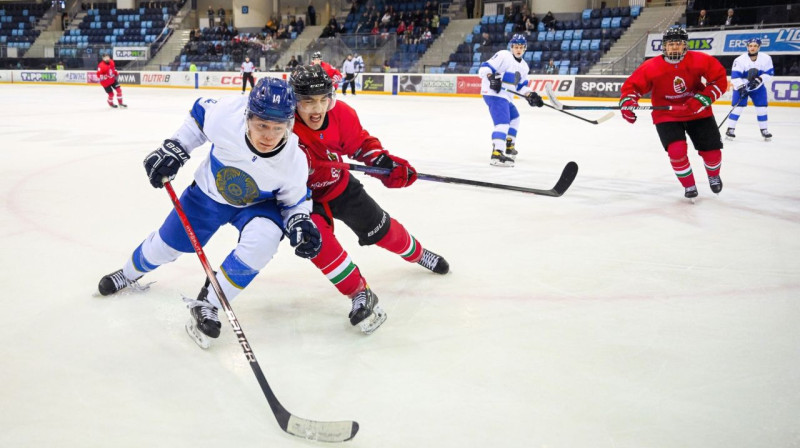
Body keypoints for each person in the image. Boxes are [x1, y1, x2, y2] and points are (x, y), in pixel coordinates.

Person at [96, 77, 320, 349]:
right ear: (247, 116)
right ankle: (129, 273)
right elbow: (200, 114)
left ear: (290, 124)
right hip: (208, 194)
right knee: (166, 248)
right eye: (261, 125)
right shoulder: (228, 115)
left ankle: (210, 302)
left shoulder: (293, 159)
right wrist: (177, 146)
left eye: (278, 128)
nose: (269, 136)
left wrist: (299, 219)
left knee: (263, 242)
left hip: (257, 205)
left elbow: (295, 201)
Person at [288, 65, 449, 334]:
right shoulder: (283, 122)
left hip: (339, 187)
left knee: (385, 232)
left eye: (322, 99)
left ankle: (419, 254)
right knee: (318, 244)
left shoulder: (341, 115)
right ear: (295, 101)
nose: (317, 109)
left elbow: (361, 145)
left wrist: (386, 165)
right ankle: (359, 292)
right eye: (307, 101)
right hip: (303, 200)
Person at [619, 26, 728, 199]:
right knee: (676, 151)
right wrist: (628, 101)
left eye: (678, 43)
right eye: (670, 44)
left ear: (685, 45)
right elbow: (632, 87)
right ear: (664, 46)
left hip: (697, 111)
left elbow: (719, 80)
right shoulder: (651, 66)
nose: (674, 47)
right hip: (666, 115)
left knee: (712, 151)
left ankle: (713, 175)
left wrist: (702, 99)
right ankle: (689, 185)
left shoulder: (700, 60)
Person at [478, 34, 544, 167]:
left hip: (505, 96)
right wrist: (491, 78)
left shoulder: (524, 67)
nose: (518, 49)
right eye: (515, 47)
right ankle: (497, 154)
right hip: (493, 93)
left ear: (525, 48)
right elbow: (484, 67)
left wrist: (531, 95)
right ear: (511, 47)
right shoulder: (503, 55)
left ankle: (509, 145)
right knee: (502, 123)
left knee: (515, 119)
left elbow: (520, 86)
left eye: (521, 47)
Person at [726, 37, 774, 141]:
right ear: (747, 47)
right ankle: (730, 129)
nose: (753, 48)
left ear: (759, 47)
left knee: (762, 109)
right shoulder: (739, 60)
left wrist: (760, 79)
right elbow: (735, 77)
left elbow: (769, 73)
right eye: (751, 46)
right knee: (738, 108)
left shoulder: (766, 58)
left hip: (758, 87)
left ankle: (764, 130)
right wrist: (741, 87)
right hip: (741, 87)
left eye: (755, 46)